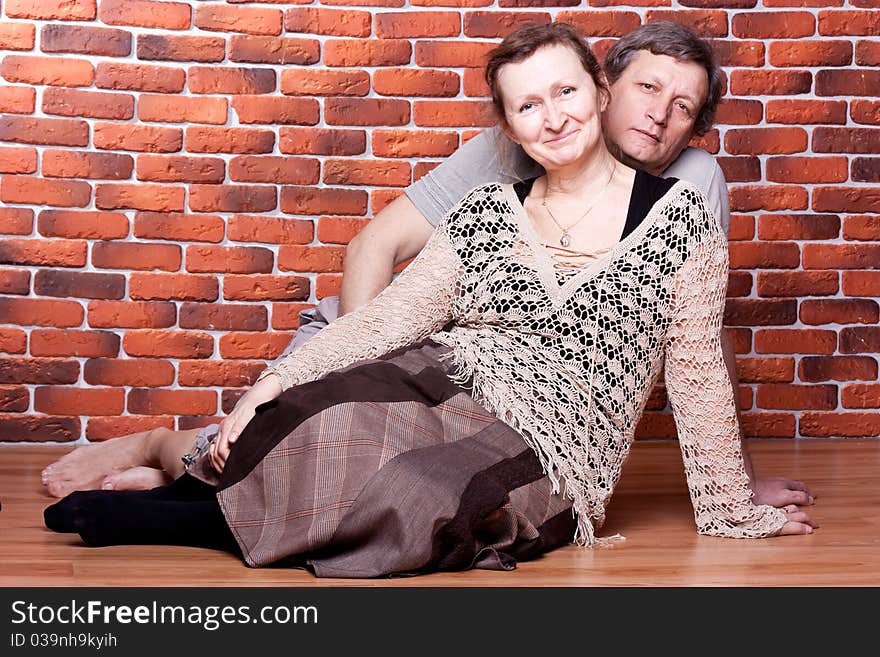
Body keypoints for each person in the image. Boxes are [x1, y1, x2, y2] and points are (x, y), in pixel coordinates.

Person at [45, 23, 816, 577]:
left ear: (594, 88)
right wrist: (278, 380)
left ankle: (196, 521)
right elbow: (390, 313)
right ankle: (186, 481)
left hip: (553, 434)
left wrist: (728, 498)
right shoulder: (487, 206)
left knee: (421, 489)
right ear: (511, 122)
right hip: (443, 364)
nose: (553, 116)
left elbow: (697, 363)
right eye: (528, 106)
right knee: (319, 412)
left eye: (566, 93)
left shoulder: (682, 213)